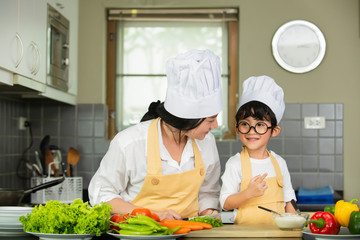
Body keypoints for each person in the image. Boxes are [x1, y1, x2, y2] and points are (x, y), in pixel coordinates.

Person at [89, 49, 223, 220]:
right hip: (139, 235)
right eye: (211, 120)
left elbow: (208, 191)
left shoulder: (207, 142)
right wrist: (152, 215)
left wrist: (207, 211)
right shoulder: (129, 142)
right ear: (188, 118)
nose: (216, 125)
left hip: (191, 234)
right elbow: (102, 195)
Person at [219, 75, 296, 225]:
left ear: (274, 131)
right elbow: (225, 203)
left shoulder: (279, 163)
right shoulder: (235, 164)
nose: (251, 131)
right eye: (245, 124)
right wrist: (248, 193)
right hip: (245, 235)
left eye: (260, 124)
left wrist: (294, 227)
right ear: (237, 129)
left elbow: (289, 201)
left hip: (277, 235)